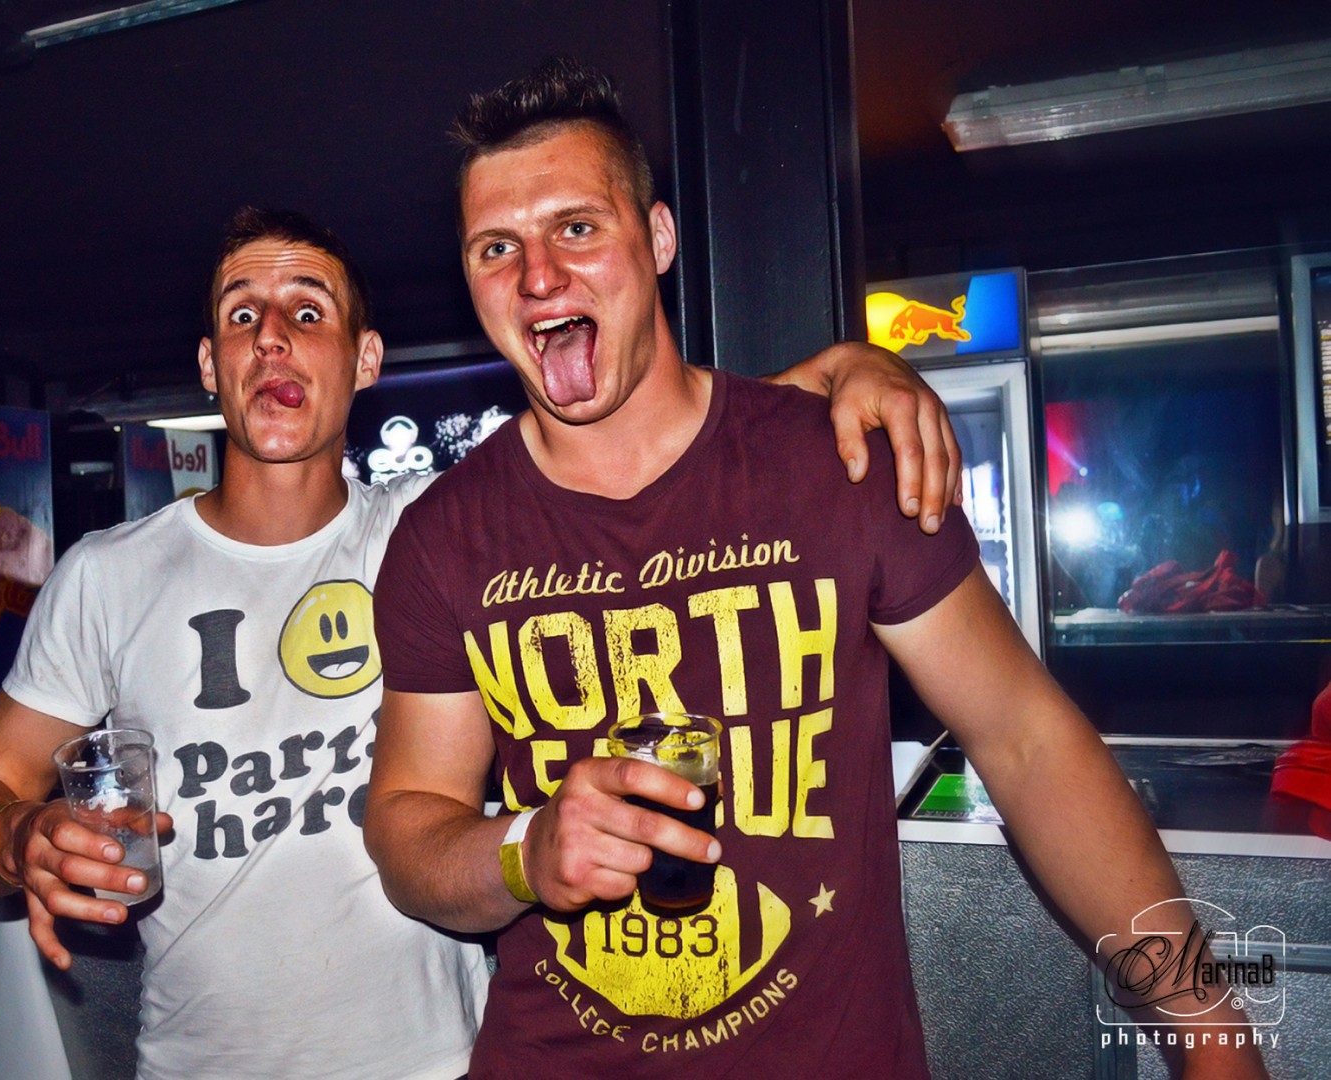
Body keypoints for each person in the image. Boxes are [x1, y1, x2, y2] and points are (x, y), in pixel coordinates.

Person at [362, 60, 1266, 1078]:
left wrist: (1209, 1029)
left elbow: (1026, 742)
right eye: (497, 247)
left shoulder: (832, 460)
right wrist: (526, 849)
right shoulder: (445, 538)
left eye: (576, 226)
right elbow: (408, 829)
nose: (538, 276)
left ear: (657, 239)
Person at [0, 204, 961, 1080]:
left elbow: (656, 442)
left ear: (366, 359)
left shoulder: (439, 535)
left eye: (307, 312)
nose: (272, 338)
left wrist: (844, 371)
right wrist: (16, 839)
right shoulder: (108, 576)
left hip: (434, 1063)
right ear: (210, 363)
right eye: (243, 316)